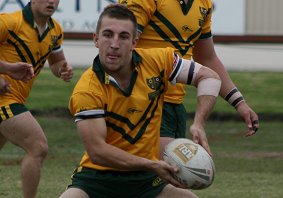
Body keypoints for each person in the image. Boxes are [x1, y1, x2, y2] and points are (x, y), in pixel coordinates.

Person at [59, 4, 221, 198]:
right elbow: (97, 151)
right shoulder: (87, 90)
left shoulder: (159, 61)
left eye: (124, 37)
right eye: (108, 35)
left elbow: (209, 77)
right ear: (96, 39)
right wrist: (151, 164)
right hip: (97, 181)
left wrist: (199, 123)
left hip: (147, 183)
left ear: (135, 41)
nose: (115, 44)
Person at [119, 0, 260, 159]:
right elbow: (121, 43)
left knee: (170, 177)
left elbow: (207, 58)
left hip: (175, 107)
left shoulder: (203, 3)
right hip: (143, 102)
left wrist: (239, 102)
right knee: (171, 174)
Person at [0, 0, 73, 197]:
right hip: (4, 99)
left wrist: (63, 70)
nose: (51, 1)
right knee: (37, 146)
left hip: (15, 99)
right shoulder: (9, 22)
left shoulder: (55, 29)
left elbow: (57, 62)